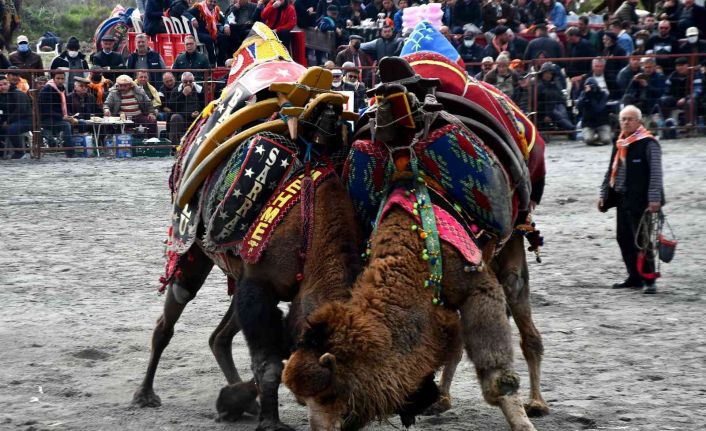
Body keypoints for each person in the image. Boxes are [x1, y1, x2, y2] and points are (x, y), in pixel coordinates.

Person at [598, 105, 664, 294]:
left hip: (641, 200)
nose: (626, 122)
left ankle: (649, 279)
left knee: (642, 240)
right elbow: (610, 169)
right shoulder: (620, 142)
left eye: (630, 119)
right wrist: (604, 194)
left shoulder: (649, 143)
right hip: (621, 198)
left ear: (639, 122)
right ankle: (634, 276)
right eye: (623, 119)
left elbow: (656, 175)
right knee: (624, 238)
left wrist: (654, 199)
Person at [39, 69, 77, 157]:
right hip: (47, 119)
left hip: (58, 117)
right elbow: (45, 109)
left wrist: (70, 116)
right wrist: (62, 117)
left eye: (62, 78)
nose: (60, 81)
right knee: (66, 125)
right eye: (58, 78)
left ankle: (78, 148)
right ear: (53, 78)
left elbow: (64, 106)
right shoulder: (47, 89)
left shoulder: (61, 88)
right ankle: (70, 153)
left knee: (79, 121)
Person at [0, 74, 32, 159]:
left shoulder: (18, 94)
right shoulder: (2, 95)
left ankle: (20, 152)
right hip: (11, 119)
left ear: (9, 83)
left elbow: (20, 111)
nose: (3, 87)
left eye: (5, 84)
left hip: (25, 119)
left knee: (12, 129)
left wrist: (8, 121)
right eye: (0, 85)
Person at [189, 0, 229, 66]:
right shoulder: (199, 7)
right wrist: (193, 18)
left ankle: (220, 62)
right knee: (209, 38)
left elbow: (224, 19)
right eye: (210, 1)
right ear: (206, 1)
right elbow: (186, 12)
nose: (212, 3)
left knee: (223, 37)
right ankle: (212, 62)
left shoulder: (215, 10)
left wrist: (226, 26)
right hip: (200, 33)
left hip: (211, 32)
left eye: (214, 2)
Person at [168, 72, 204, 144]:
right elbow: (172, 106)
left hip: (197, 117)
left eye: (190, 81)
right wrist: (183, 95)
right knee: (175, 117)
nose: (188, 83)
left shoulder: (200, 90)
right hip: (182, 117)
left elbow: (205, 104)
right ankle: (175, 146)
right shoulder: (176, 90)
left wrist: (199, 113)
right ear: (182, 82)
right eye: (185, 82)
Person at [576, 77, 612, 146]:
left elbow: (598, 108)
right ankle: (595, 137)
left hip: (602, 121)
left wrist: (591, 96)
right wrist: (586, 95)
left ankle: (599, 136)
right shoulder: (584, 94)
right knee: (588, 140)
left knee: (606, 140)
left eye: (593, 86)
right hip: (588, 122)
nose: (592, 88)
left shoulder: (603, 94)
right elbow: (579, 107)